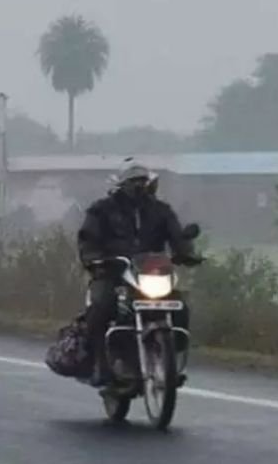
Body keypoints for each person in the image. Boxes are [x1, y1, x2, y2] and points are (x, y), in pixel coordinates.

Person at [76, 160, 201, 385]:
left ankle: (170, 358)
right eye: (133, 181)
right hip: (114, 271)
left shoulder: (161, 210)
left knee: (180, 306)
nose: (139, 185)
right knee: (101, 305)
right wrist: (95, 259)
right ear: (120, 184)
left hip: (151, 272)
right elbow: (88, 238)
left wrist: (186, 253)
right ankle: (100, 364)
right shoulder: (101, 210)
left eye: (143, 181)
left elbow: (176, 236)